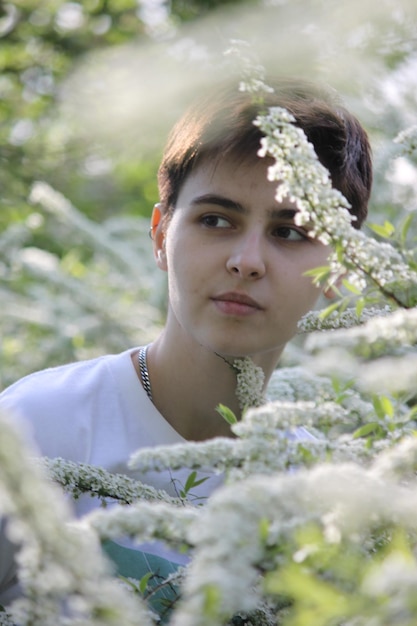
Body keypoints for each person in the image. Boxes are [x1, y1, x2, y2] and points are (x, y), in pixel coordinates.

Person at [0, 77, 372, 615]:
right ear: (160, 236)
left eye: (290, 231)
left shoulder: (327, 501)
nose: (247, 260)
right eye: (216, 220)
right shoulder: (35, 430)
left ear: (341, 267)